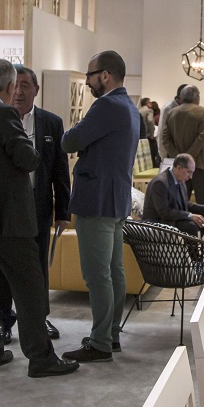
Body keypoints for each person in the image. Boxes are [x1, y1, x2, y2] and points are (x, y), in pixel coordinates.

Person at [0, 60, 78, 379]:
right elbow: (28, 158)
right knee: (29, 289)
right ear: (10, 86)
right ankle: (40, 358)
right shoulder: (4, 113)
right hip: (9, 221)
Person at [61, 51, 140, 363]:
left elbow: (70, 141)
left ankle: (100, 342)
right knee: (113, 271)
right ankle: (111, 335)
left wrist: (77, 135)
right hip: (117, 200)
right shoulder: (129, 106)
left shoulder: (106, 105)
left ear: (105, 75)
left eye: (90, 75)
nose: (87, 81)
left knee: (97, 276)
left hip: (96, 200)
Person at [0, 65, 70, 345]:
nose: (19, 91)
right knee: (3, 267)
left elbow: (60, 170)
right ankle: (4, 319)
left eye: (25, 85)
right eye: (15, 85)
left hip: (38, 207)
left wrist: (63, 212)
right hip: (2, 209)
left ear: (36, 90)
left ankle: (39, 317)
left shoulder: (51, 123)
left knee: (38, 267)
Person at [143, 154, 204, 236]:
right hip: (157, 221)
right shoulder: (160, 183)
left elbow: (185, 204)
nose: (191, 177)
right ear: (179, 168)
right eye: (189, 172)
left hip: (172, 218)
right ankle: (195, 245)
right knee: (191, 226)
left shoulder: (181, 180)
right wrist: (190, 215)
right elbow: (165, 213)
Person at [161, 85, 204, 205]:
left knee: (180, 200)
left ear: (182, 97)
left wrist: (179, 158)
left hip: (178, 165)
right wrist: (188, 158)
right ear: (197, 97)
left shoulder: (172, 112)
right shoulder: (202, 111)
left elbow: (165, 139)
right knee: (203, 199)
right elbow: (201, 138)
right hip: (198, 163)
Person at [156, 84, 187, 165]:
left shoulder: (181, 108)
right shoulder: (169, 108)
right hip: (168, 153)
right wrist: (164, 156)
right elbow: (161, 132)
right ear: (181, 97)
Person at [138, 96, 160, 166]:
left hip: (140, 135)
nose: (151, 104)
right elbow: (150, 121)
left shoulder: (138, 110)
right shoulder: (149, 110)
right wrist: (152, 134)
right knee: (152, 153)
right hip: (148, 135)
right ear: (147, 103)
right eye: (150, 102)